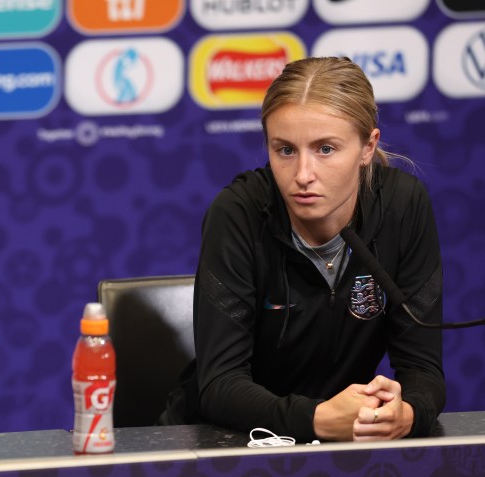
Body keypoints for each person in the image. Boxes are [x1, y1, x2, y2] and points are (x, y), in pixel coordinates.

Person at [162, 56, 445, 442]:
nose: (303, 175)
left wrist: (407, 412)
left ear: (367, 147)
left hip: (343, 440)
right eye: (285, 150)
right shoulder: (238, 213)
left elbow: (423, 369)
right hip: (224, 442)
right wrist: (316, 418)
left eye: (325, 149)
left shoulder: (403, 207)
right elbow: (220, 386)